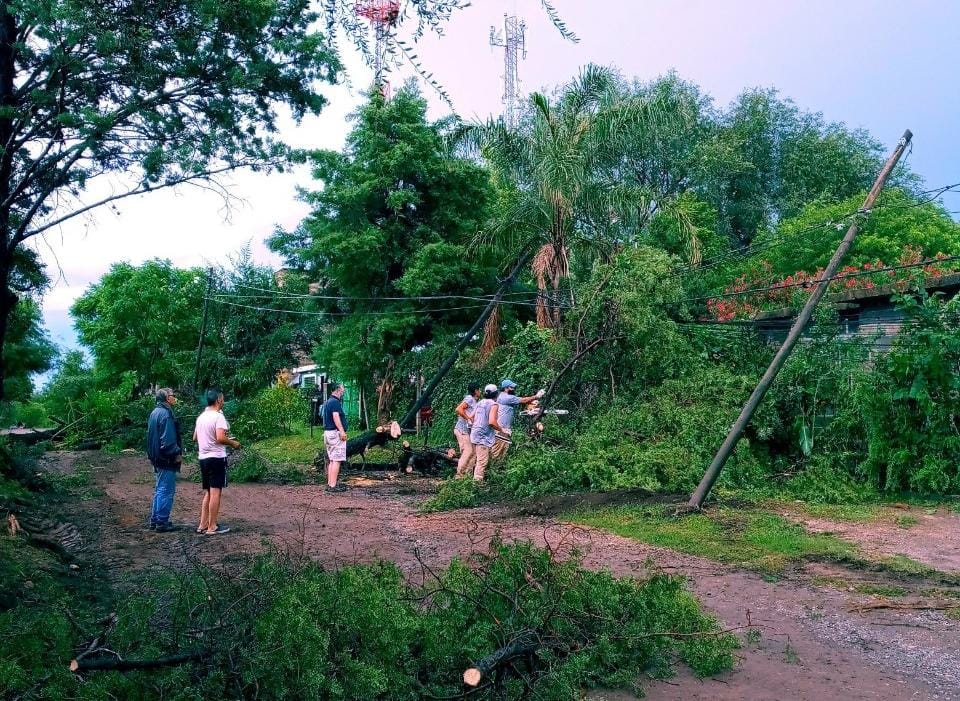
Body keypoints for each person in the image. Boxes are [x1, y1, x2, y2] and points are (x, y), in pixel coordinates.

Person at [193, 388, 240, 535]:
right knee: (215, 492)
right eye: (223, 399)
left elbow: (195, 437)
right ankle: (212, 526)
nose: (224, 401)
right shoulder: (218, 417)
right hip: (216, 458)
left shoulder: (201, 417)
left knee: (208, 491)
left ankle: (203, 524)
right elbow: (220, 437)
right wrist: (233, 443)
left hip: (203, 458)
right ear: (219, 400)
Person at [146, 388, 182, 532]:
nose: (174, 397)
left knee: (159, 488)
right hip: (166, 458)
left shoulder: (155, 412)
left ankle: (155, 520)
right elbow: (167, 441)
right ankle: (161, 521)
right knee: (166, 490)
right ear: (167, 398)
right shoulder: (166, 415)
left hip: (156, 456)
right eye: (173, 395)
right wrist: (176, 453)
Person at [491, 380, 545, 462]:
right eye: (511, 387)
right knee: (497, 452)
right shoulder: (506, 397)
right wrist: (536, 396)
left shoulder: (502, 397)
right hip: (501, 429)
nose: (513, 389)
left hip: (502, 428)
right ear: (505, 388)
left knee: (501, 451)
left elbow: (524, 401)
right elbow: (523, 400)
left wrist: (533, 401)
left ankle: (495, 469)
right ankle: (490, 470)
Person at [469, 384, 500, 481]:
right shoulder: (493, 404)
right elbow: (492, 422)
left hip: (474, 434)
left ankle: (468, 480)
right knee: (482, 462)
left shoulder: (480, 402)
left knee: (477, 459)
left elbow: (471, 417)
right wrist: (501, 430)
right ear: (496, 394)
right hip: (483, 436)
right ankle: (477, 486)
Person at [322, 382, 348, 492]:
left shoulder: (328, 402)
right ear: (337, 390)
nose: (343, 393)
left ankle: (330, 483)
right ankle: (333, 486)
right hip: (335, 433)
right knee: (337, 460)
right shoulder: (335, 402)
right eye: (342, 391)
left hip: (328, 432)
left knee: (332, 460)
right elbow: (336, 417)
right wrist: (342, 431)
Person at [454, 382, 481, 478]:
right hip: (462, 430)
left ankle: (467, 475)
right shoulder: (469, 398)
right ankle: (459, 475)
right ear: (476, 391)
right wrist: (468, 418)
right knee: (468, 451)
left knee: (473, 453)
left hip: (468, 431)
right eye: (479, 390)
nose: (480, 392)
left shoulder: (475, 401)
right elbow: (458, 409)